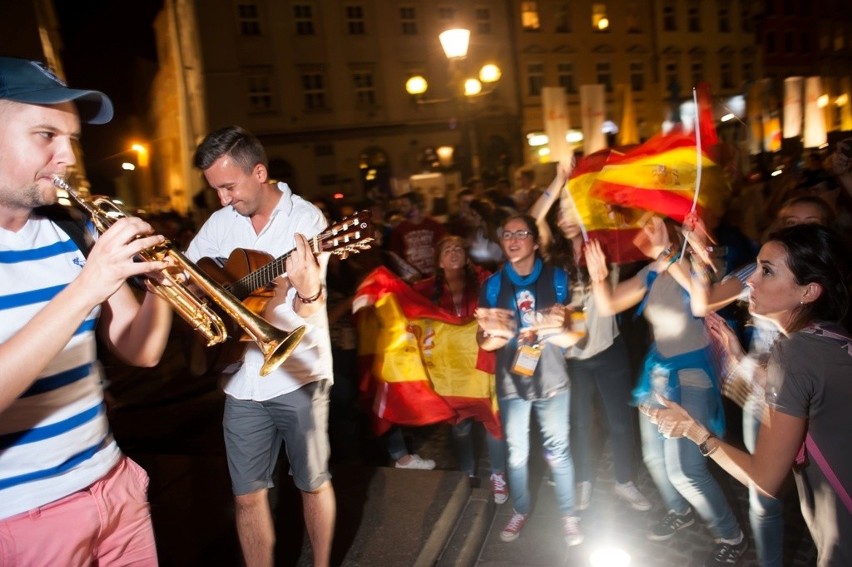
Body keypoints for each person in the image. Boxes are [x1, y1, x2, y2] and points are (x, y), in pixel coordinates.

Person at [0, 56, 174, 565]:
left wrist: (160, 283)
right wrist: (86, 287)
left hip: (114, 485)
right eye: (45, 135)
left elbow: (139, 352)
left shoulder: (70, 232)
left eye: (72, 139)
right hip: (23, 518)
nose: (67, 157)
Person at [651, 224, 852, 567]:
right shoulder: (831, 335)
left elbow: (765, 479)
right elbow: (801, 400)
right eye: (758, 267)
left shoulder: (796, 352)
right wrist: (740, 360)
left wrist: (693, 430)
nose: (751, 281)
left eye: (767, 271)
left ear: (809, 292)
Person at [184, 125, 335, 567]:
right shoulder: (219, 222)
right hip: (241, 379)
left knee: (312, 482)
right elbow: (193, 276)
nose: (223, 199)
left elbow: (310, 310)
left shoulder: (307, 221)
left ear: (260, 172)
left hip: (299, 372)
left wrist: (306, 290)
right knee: (247, 495)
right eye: (215, 190)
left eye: (229, 187)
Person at [586, 216, 749, 567]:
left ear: (672, 229)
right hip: (657, 373)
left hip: (693, 375)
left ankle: (731, 534)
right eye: (642, 225)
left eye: (652, 223)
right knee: (655, 459)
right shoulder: (652, 270)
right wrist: (599, 278)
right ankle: (680, 511)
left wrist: (673, 254)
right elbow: (608, 305)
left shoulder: (697, 263)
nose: (644, 231)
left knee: (687, 470)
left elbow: (700, 301)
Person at [539, 185, 652, 513]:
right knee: (581, 422)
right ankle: (584, 480)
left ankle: (624, 481)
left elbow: (640, 226)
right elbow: (531, 224)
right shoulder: (551, 258)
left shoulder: (607, 248)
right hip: (571, 356)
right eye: (561, 211)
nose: (565, 216)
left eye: (572, 208)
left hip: (608, 349)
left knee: (619, 420)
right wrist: (557, 183)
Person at [475, 214, 585, 549]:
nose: (513, 239)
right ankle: (520, 508)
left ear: (535, 241)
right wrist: (498, 333)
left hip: (552, 378)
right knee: (518, 454)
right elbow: (484, 342)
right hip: (512, 384)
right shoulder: (493, 285)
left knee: (559, 451)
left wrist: (558, 328)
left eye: (521, 233)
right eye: (506, 234)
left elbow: (576, 337)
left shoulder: (558, 278)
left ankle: (569, 514)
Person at [413, 235, 508, 503]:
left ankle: (498, 475)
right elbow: (402, 304)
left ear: (466, 257)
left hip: (483, 364)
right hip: (450, 373)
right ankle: (467, 473)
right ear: (439, 261)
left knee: (494, 421)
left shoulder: (485, 281)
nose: (453, 252)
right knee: (460, 426)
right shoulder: (425, 289)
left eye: (458, 248)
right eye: (447, 249)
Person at [387, 191, 446, 278]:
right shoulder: (399, 229)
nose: (401, 209)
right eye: (400, 206)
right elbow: (396, 256)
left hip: (434, 275)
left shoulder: (434, 225)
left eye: (404, 206)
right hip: (413, 278)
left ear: (415, 206)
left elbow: (444, 247)